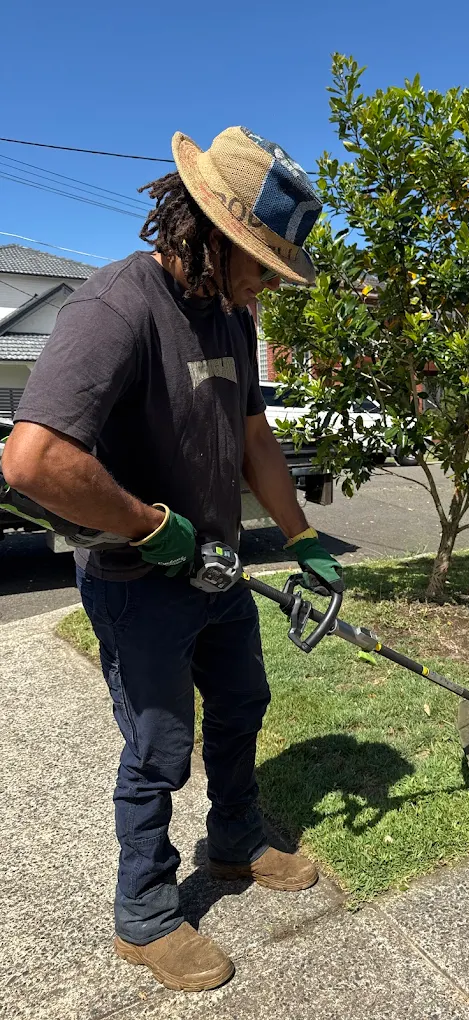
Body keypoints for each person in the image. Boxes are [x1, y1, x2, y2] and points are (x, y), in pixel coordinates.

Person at [1, 126, 344, 992]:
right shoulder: (116, 306)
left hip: (218, 572)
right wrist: (153, 528)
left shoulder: (229, 315)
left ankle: (233, 839)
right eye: (259, 261)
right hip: (135, 581)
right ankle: (146, 914)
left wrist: (300, 537)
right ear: (210, 231)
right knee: (159, 749)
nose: (268, 279)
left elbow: (252, 433)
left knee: (243, 702)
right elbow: (33, 459)